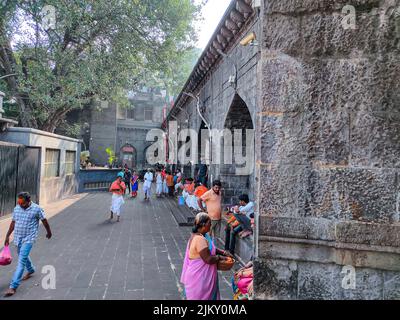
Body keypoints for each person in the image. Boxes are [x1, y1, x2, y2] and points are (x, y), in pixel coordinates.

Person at [3, 192, 52, 297]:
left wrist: (49, 231)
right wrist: (7, 235)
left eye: (22, 203)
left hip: (29, 238)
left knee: (21, 261)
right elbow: (13, 222)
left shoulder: (37, 209)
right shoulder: (17, 208)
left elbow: (44, 221)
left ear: (29, 201)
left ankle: (13, 286)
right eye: (18, 202)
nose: (20, 204)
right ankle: (31, 270)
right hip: (18, 238)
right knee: (22, 255)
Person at [180, 212, 233, 300]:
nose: (211, 225)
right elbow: (208, 259)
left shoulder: (203, 236)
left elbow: (211, 249)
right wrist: (220, 257)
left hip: (201, 276)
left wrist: (223, 252)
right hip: (200, 279)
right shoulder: (199, 239)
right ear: (203, 225)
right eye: (209, 223)